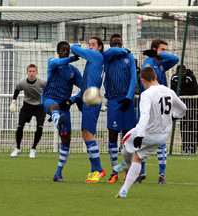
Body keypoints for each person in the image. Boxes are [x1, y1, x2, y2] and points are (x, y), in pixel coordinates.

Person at [114, 66, 187, 198]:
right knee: (139, 157)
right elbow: (183, 108)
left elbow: (145, 115)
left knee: (125, 141)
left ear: (142, 80)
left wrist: (140, 135)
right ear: (156, 77)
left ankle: (126, 163)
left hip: (147, 133)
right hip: (161, 137)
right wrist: (175, 116)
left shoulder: (146, 94)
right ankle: (123, 191)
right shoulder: (169, 91)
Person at [136, 38, 179, 184]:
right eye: (163, 49)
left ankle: (162, 174)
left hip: (160, 106)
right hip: (150, 105)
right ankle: (141, 173)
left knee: (161, 140)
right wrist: (157, 54)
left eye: (166, 50)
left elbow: (176, 59)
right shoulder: (149, 64)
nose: (166, 53)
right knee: (143, 138)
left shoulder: (160, 63)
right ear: (155, 49)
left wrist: (161, 54)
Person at [42, 41, 83, 182]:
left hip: (64, 104)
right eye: (63, 50)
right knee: (54, 107)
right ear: (58, 51)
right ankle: (58, 119)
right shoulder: (53, 63)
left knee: (66, 139)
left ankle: (58, 173)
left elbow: (85, 88)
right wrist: (73, 58)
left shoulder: (73, 71)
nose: (65, 52)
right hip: (49, 100)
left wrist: (72, 99)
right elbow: (54, 64)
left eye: (67, 50)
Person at [71, 36, 106, 183]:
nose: (90, 47)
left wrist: (77, 46)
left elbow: (73, 48)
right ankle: (94, 170)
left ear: (99, 48)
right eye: (89, 44)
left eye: (93, 44)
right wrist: (72, 99)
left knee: (88, 134)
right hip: (88, 99)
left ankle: (99, 170)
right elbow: (85, 84)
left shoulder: (96, 56)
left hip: (92, 101)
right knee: (86, 134)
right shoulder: (91, 62)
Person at [103, 34, 137, 183]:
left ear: (122, 43)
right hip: (113, 100)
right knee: (112, 134)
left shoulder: (129, 58)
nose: (117, 45)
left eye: (119, 43)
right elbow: (108, 53)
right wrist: (122, 51)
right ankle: (113, 171)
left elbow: (133, 78)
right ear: (110, 45)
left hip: (126, 99)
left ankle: (127, 171)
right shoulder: (108, 57)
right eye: (114, 43)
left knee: (127, 136)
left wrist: (129, 97)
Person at [10, 64, 46, 158]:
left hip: (39, 107)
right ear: (27, 72)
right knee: (20, 126)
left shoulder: (42, 82)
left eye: (33, 71)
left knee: (40, 127)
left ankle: (33, 149)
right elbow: (17, 90)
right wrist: (13, 102)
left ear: (36, 72)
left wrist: (48, 102)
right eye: (30, 71)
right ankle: (17, 148)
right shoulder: (22, 83)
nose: (31, 73)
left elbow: (49, 90)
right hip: (27, 106)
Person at [171, 65, 198, 154]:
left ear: (185, 72)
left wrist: (183, 92)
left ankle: (192, 148)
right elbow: (173, 91)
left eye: (182, 73)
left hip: (192, 107)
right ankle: (185, 147)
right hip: (181, 108)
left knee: (193, 128)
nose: (180, 75)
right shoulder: (174, 78)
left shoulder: (191, 77)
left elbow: (196, 91)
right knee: (184, 128)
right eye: (178, 73)